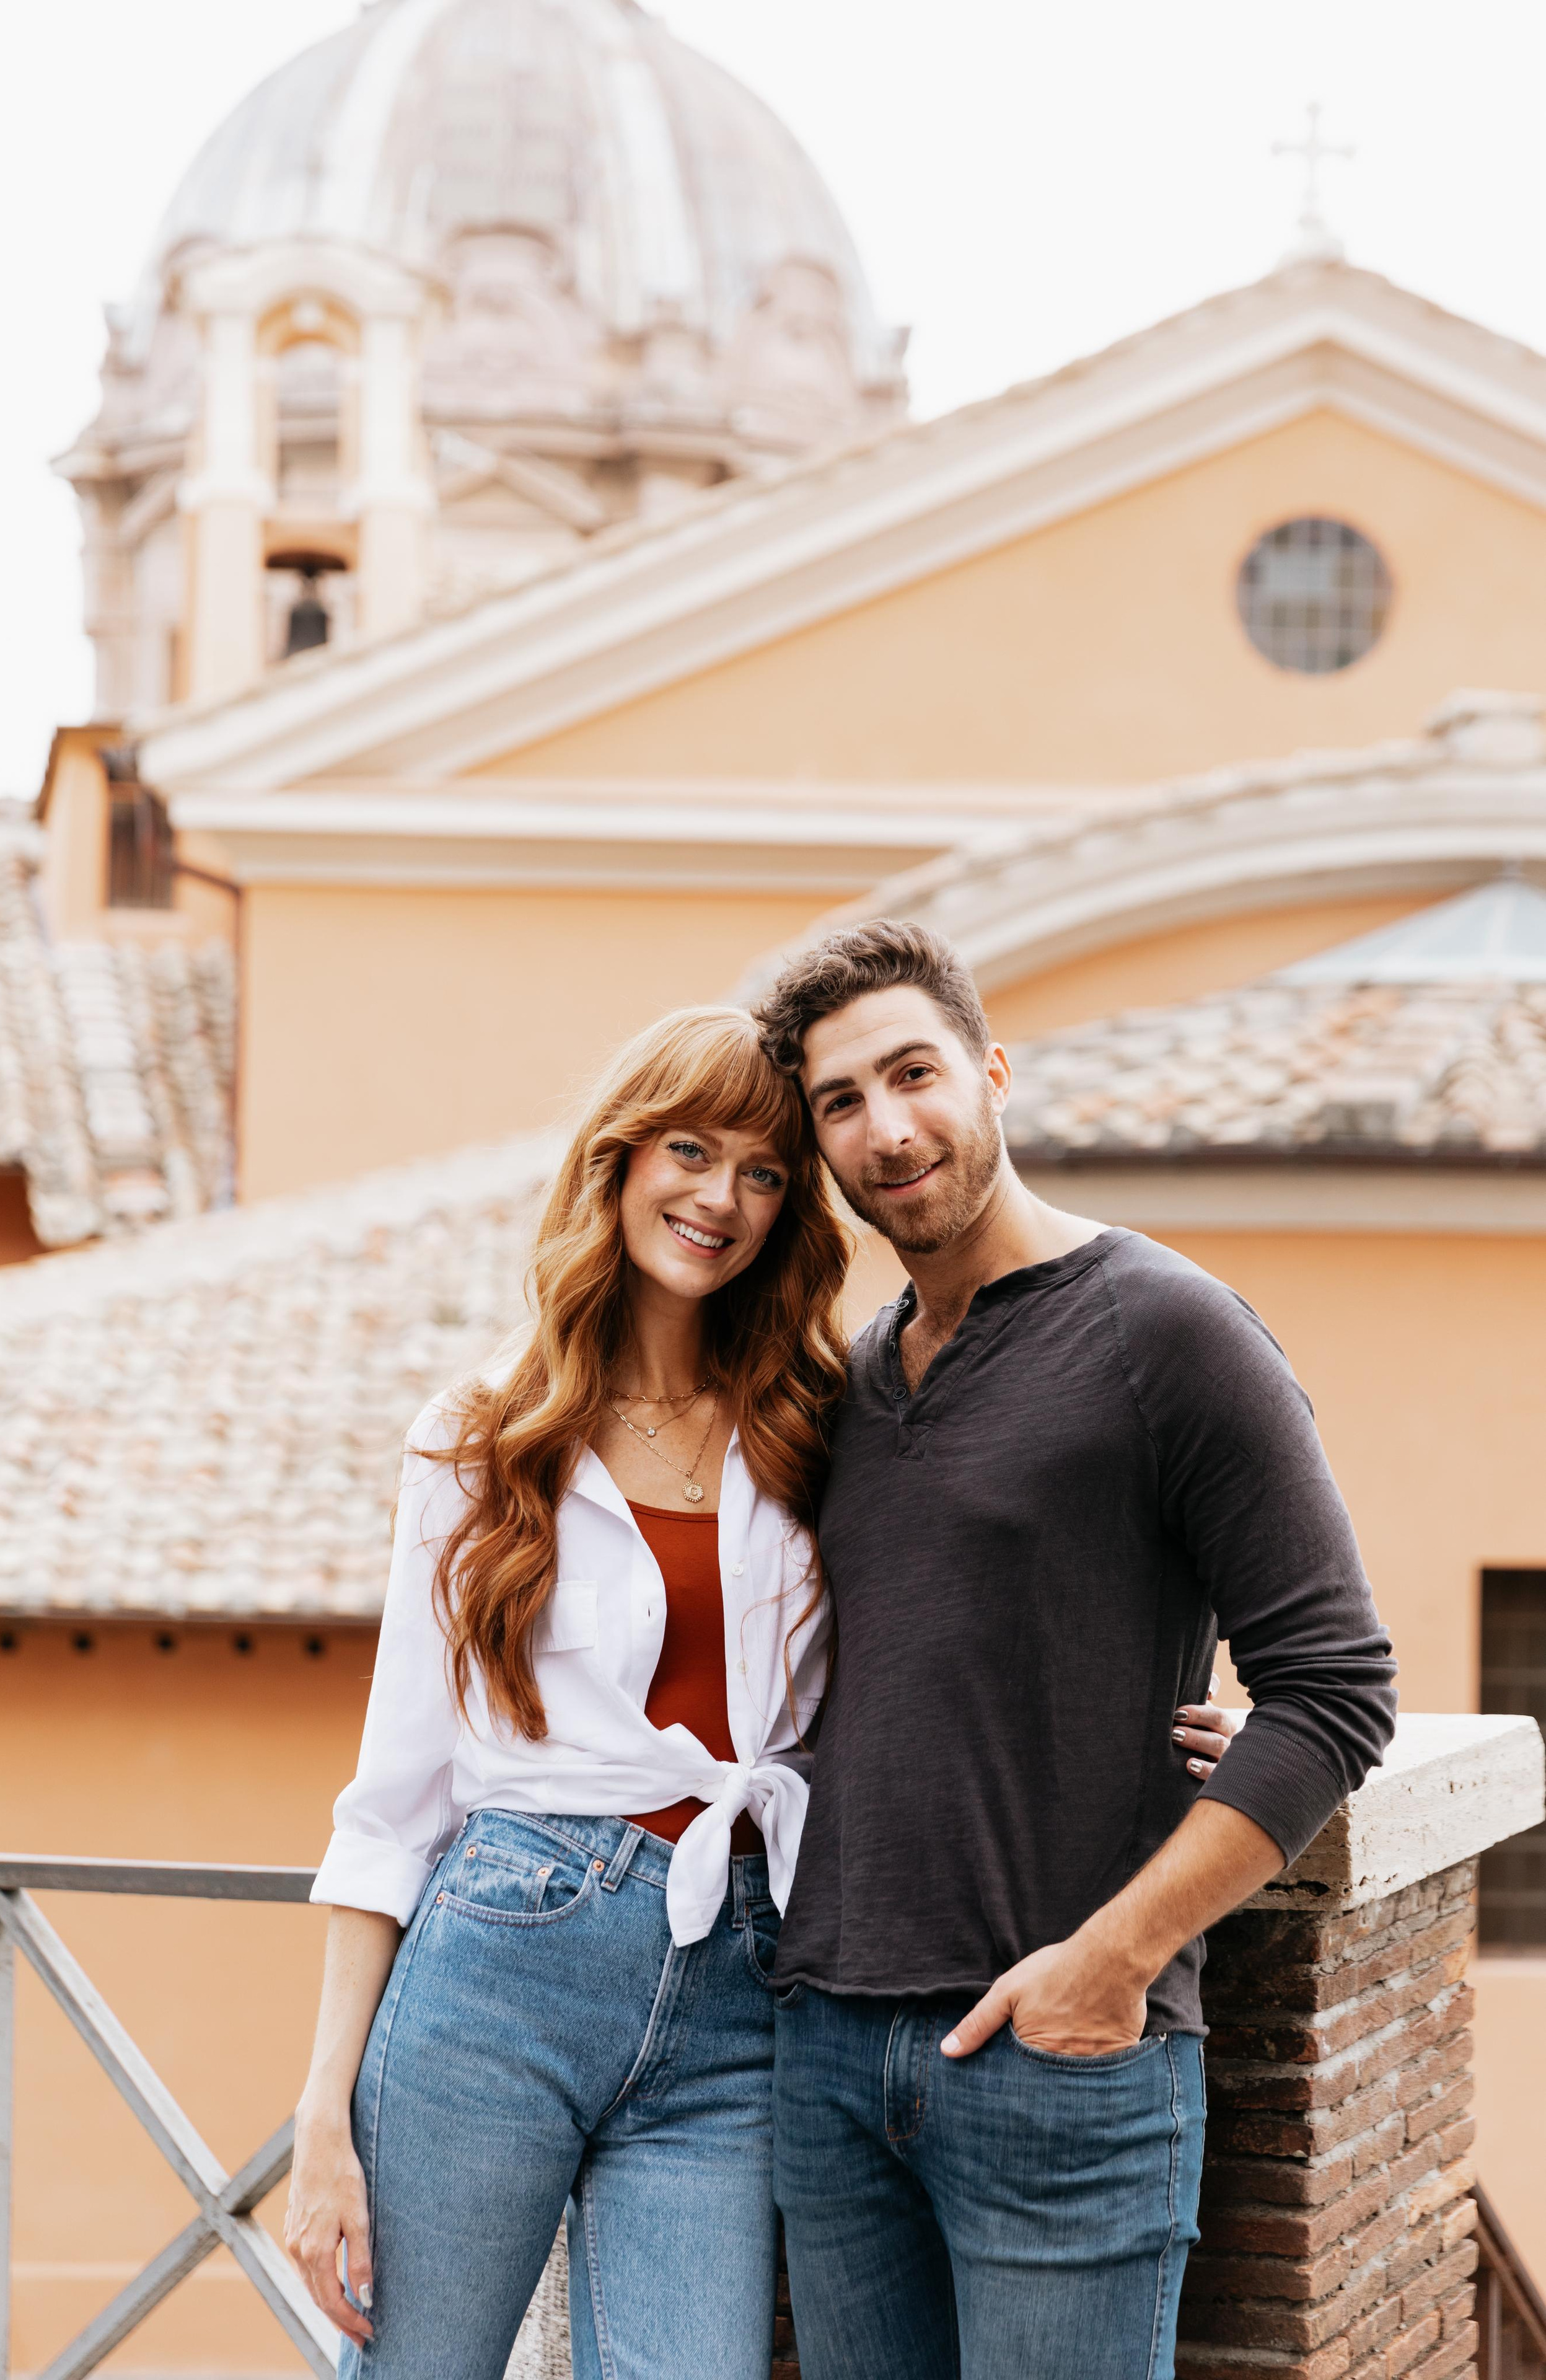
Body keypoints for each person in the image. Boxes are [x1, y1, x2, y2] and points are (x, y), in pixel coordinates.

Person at [284, 998, 1241, 2378]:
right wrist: (324, 2119)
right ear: (615, 1164)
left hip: (743, 1977)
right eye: (685, 1150)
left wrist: (1207, 1700)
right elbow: (390, 1800)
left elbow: (972, 1601)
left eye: (762, 1171)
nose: (718, 1199)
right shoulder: (480, 1438)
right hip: (505, 1959)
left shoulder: (818, 1418)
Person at [752, 920, 1399, 2380]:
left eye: (912, 1073)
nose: (885, 1128)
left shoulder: (1167, 1331)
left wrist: (1111, 1962)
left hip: (1060, 2065)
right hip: (830, 2061)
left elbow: (1336, 1690)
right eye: (839, 1103)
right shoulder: (851, 1378)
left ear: (989, 1071)